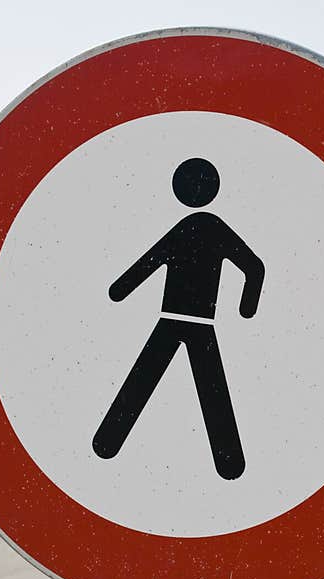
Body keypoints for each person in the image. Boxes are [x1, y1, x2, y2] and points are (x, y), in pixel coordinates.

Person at [92, 158, 264, 480]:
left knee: (147, 381)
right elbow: (254, 268)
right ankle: (229, 465)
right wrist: (246, 308)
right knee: (206, 388)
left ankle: (106, 444)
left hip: (176, 320)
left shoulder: (192, 228)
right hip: (194, 323)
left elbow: (150, 261)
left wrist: (120, 291)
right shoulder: (212, 229)